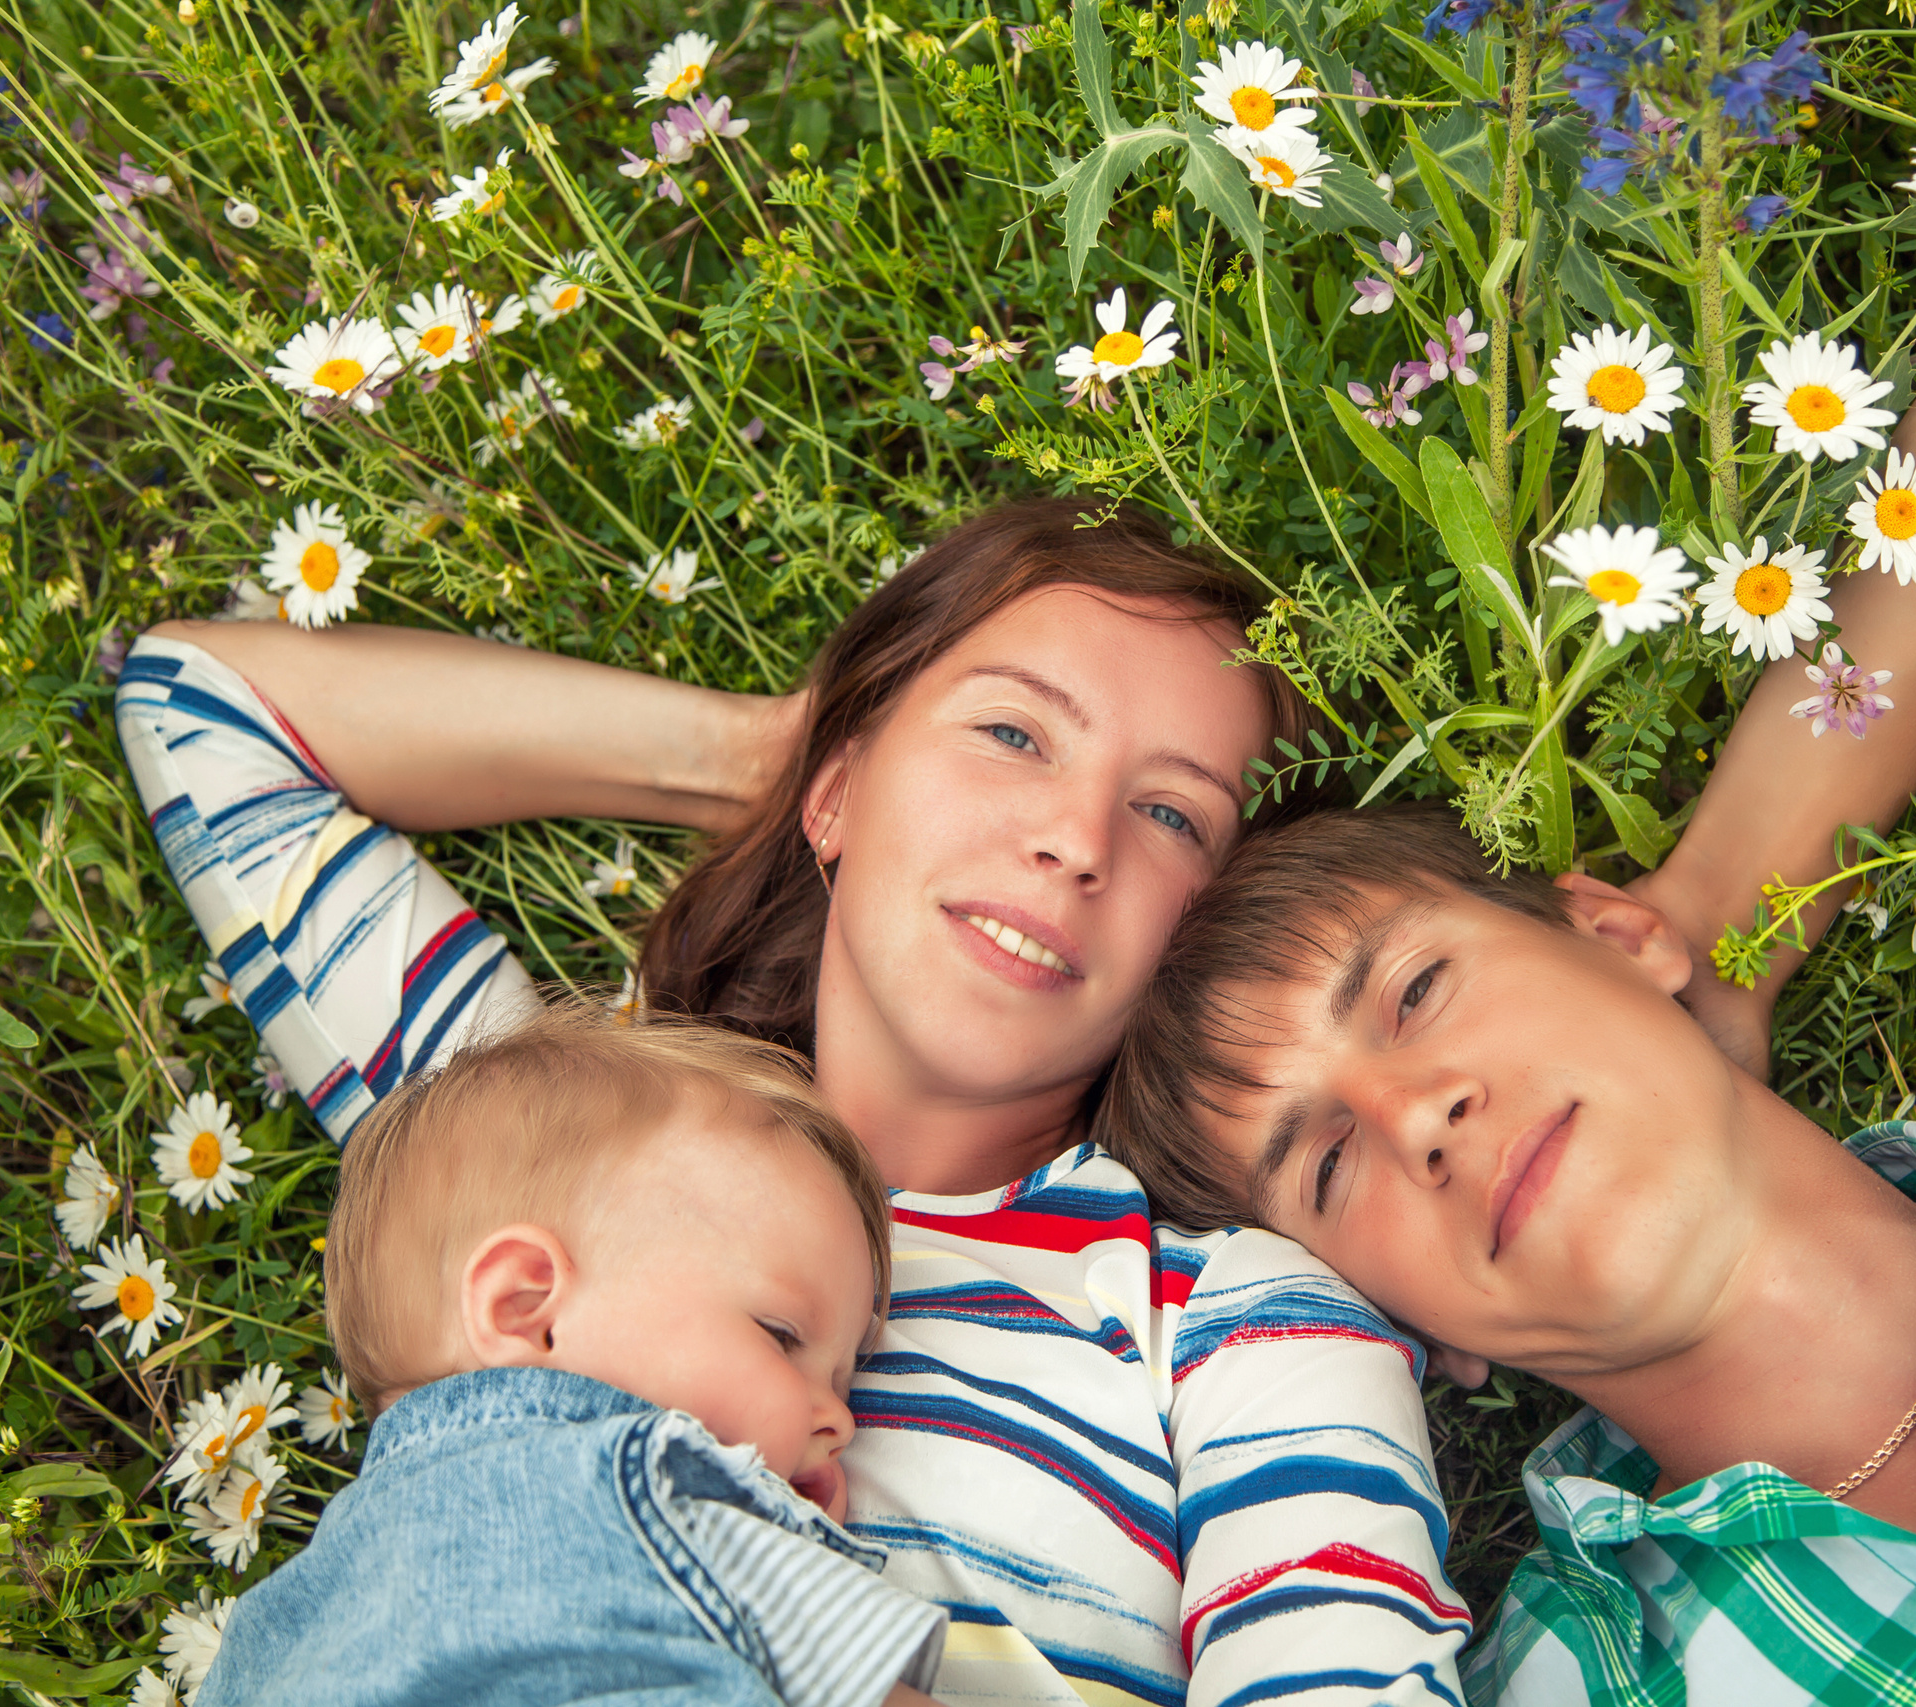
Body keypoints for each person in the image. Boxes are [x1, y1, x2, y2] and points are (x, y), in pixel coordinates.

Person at [1096, 133, 1916, 1707]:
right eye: (1331, 1161)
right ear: (1408, 1335)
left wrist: (1722, 911)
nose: (1416, 1111)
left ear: (1607, 937)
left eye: (1417, 989)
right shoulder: (1583, 1681)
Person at [119, 500, 1472, 1707]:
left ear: (1205, 929)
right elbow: (203, 702)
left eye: (1175, 814)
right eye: (1011, 732)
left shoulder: (1237, 1311)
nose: (1075, 836)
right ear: (838, 792)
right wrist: (759, 752)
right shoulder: (560, 1143)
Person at [199, 1004, 946, 1707]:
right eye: (780, 1333)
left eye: (845, 1375)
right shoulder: (671, 1491)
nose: (840, 1419)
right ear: (526, 1308)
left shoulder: (274, 1623)